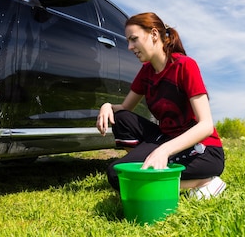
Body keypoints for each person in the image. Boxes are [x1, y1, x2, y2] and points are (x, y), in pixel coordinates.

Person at [96, 12, 226, 199]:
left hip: (203, 150)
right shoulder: (147, 71)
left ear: (154, 35)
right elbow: (125, 108)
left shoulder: (185, 65)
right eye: (128, 41)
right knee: (120, 118)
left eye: (134, 39)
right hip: (165, 137)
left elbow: (205, 125)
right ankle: (146, 169)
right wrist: (107, 106)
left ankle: (204, 182)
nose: (130, 47)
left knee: (117, 175)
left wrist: (164, 150)